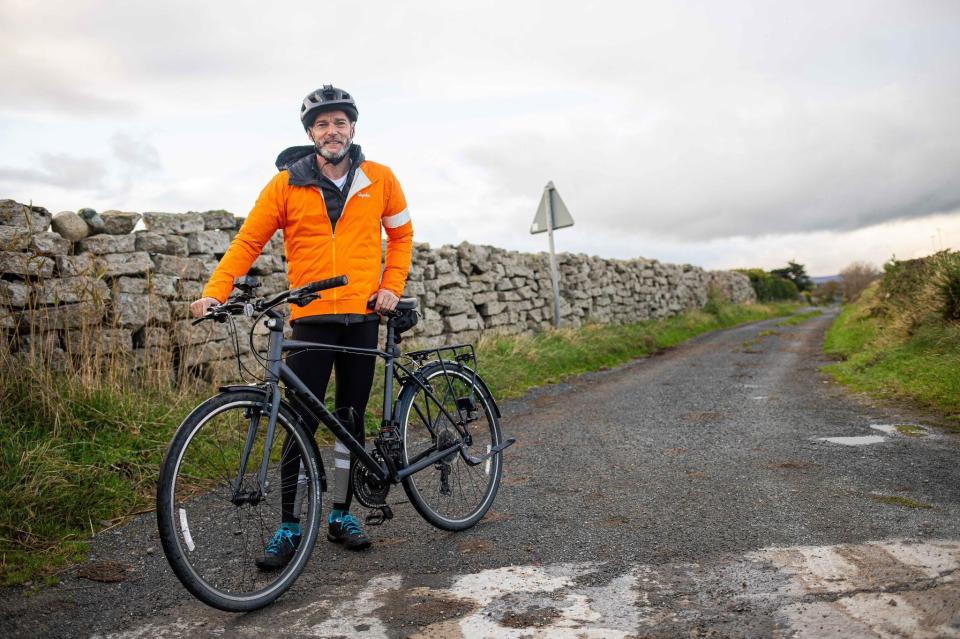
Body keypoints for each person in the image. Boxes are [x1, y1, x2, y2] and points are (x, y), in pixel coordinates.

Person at [190, 85, 413, 569]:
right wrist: (216, 291)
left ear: (353, 128)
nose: (332, 131)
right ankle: (289, 525)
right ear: (310, 133)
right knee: (299, 423)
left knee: (348, 422)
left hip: (362, 316)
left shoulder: (381, 179)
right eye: (322, 124)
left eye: (340, 122)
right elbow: (248, 241)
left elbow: (401, 235)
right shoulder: (285, 185)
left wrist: (391, 284)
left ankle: (340, 514)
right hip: (310, 318)